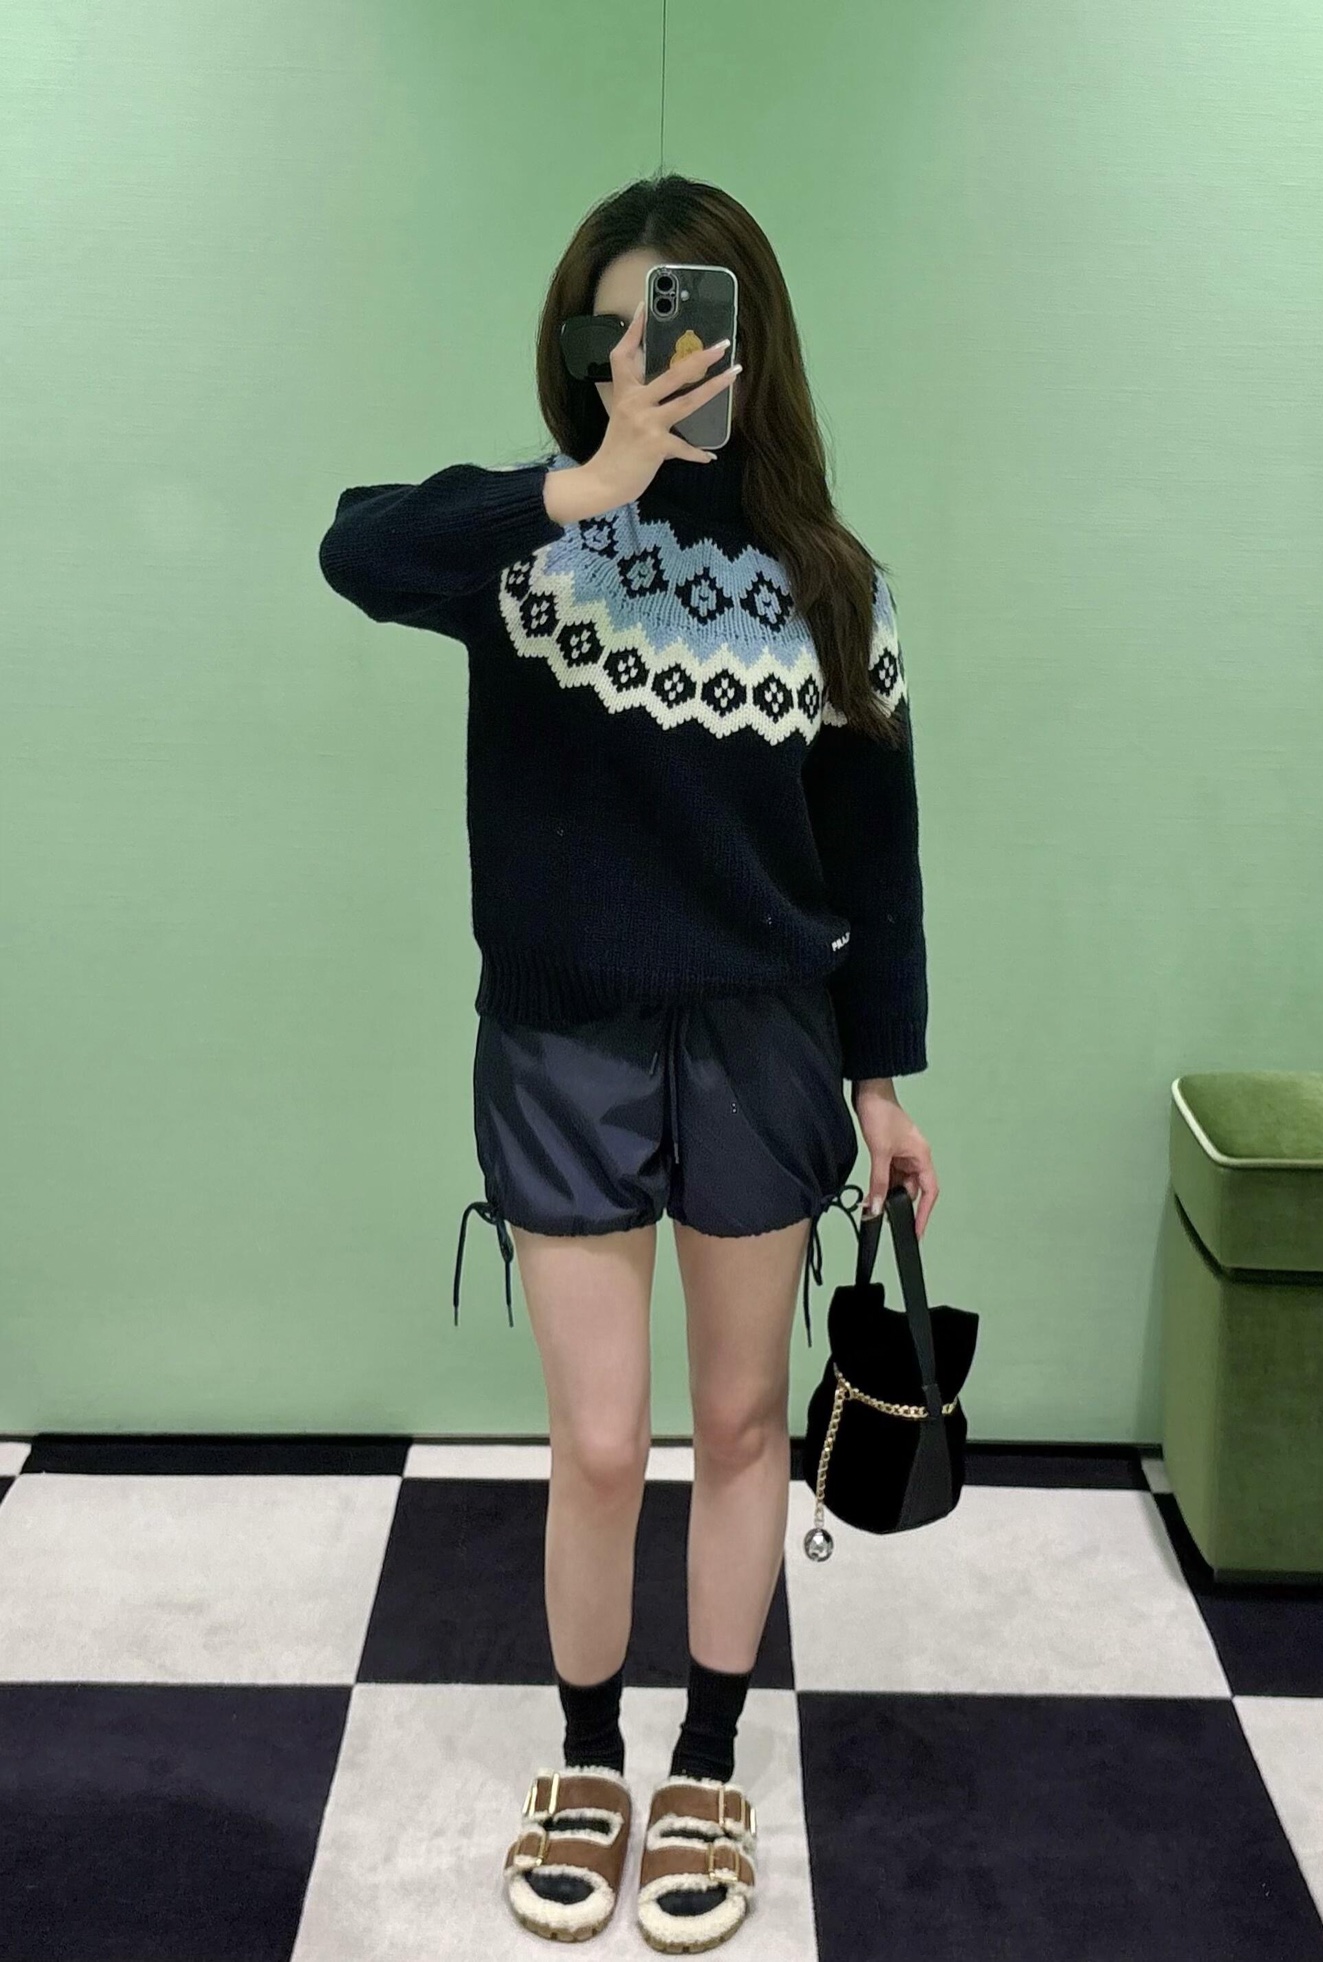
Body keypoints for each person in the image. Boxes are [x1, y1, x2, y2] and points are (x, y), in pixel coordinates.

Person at [318, 172, 939, 1951]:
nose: (649, 355)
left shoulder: (836, 588)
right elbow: (357, 547)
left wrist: (883, 1084)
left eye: (684, 321)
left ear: (750, 346)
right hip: (563, 1040)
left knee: (738, 1423)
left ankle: (710, 1759)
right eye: (617, 324)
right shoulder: (522, 548)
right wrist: (574, 488)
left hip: (766, 1044)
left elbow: (875, 862)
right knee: (597, 1441)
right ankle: (589, 1753)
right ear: (581, 343)